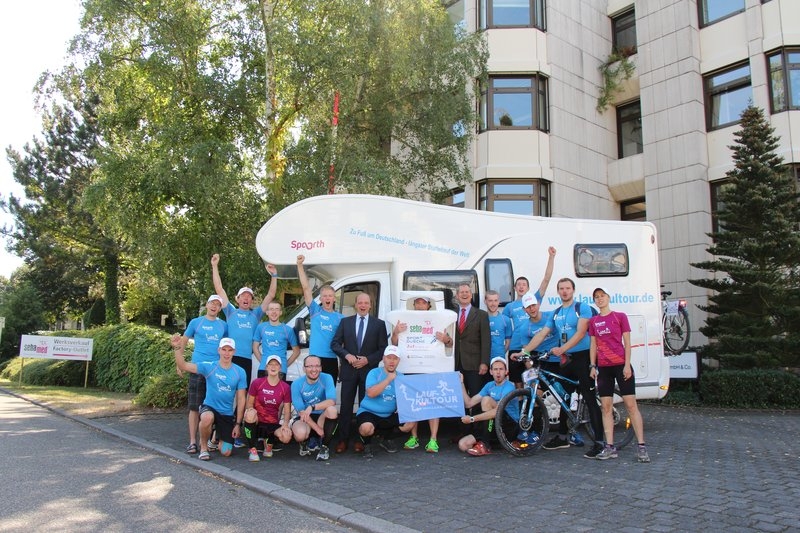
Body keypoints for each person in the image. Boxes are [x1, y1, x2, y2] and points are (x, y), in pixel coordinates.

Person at [541, 278, 604, 458]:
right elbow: (543, 333)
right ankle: (562, 437)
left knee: (590, 399)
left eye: (567, 288)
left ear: (573, 290)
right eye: (561, 288)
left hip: (583, 357)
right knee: (564, 398)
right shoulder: (556, 313)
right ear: (558, 291)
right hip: (567, 360)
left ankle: (599, 442)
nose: (564, 291)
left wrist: (562, 349)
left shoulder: (581, 308)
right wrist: (525, 351)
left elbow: (581, 332)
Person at [513, 291, 584, 447]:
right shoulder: (524, 328)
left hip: (559, 361)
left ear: (538, 304)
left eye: (533, 305)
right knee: (536, 395)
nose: (532, 309)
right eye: (528, 307)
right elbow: (526, 352)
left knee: (563, 396)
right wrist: (531, 370)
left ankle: (571, 432)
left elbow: (565, 334)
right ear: (524, 310)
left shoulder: (550, 317)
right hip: (541, 363)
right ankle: (536, 432)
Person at [588, 287, 649, 462]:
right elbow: (593, 344)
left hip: (621, 365)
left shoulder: (619, 317)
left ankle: (642, 446)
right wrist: (593, 365)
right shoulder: (594, 321)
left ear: (608, 298)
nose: (599, 299)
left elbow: (627, 342)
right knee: (606, 407)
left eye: (602, 296)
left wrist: (627, 365)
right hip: (604, 368)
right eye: (596, 297)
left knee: (631, 405)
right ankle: (609, 447)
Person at [391, 295, 451, 453]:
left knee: (433, 403)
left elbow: (450, 343)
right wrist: (396, 332)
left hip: (432, 367)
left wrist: (445, 339)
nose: (420, 305)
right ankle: (414, 438)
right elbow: (394, 343)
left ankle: (433, 439)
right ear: (414, 305)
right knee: (413, 403)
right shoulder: (405, 320)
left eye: (423, 303)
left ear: (428, 305)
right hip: (410, 367)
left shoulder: (438, 319)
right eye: (417, 302)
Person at [171, 336, 246, 461]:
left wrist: (238, 424)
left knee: (226, 452)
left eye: (230, 350)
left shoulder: (240, 372)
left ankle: (214, 438)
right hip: (210, 407)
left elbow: (241, 399)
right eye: (224, 349)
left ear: (234, 352)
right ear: (219, 350)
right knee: (207, 417)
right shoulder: (209, 366)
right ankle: (204, 448)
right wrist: (177, 348)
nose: (226, 353)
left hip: (226, 413)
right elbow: (183, 366)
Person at [330, 292, 389, 454]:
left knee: (365, 407)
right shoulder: (345, 322)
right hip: (349, 370)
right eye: (360, 303)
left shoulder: (379, 324)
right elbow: (335, 344)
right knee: (346, 406)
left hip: (368, 372)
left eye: (366, 303)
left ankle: (361, 440)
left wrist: (367, 360)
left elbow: (383, 349)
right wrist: (347, 356)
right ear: (355, 305)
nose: (363, 305)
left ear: (370, 305)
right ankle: (343, 440)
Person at [211, 253, 278, 386]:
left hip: (247, 358)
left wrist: (274, 275)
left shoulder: (256, 314)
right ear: (238, 299)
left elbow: (271, 295)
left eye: (249, 296)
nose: (246, 298)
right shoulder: (230, 311)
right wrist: (214, 266)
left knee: (243, 390)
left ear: (252, 300)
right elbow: (219, 289)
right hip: (229, 357)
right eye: (243, 296)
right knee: (227, 388)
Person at [174, 295, 228, 455]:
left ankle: (206, 441)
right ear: (207, 304)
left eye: (218, 304)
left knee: (212, 407)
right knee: (194, 407)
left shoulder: (223, 325)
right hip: (197, 368)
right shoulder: (196, 322)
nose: (214, 306)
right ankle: (192, 442)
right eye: (212, 303)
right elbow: (183, 342)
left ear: (220, 309)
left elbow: (226, 348)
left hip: (215, 371)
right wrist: (179, 363)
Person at [504, 247, 556, 387]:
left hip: (532, 347)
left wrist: (551, 257)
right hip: (516, 347)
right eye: (518, 285)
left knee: (534, 380)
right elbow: (504, 327)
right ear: (514, 288)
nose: (521, 287)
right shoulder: (509, 307)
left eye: (524, 285)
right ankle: (522, 401)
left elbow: (546, 280)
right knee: (518, 383)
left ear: (528, 288)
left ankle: (536, 399)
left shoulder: (535, 299)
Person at [354, 345, 414, 459]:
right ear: (383, 358)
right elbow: (371, 393)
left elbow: (405, 398)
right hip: (369, 412)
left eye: (395, 358)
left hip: (388, 414)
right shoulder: (374, 373)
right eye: (389, 357)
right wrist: (388, 379)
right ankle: (367, 444)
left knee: (410, 423)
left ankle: (386, 439)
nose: (392, 361)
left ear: (399, 360)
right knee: (366, 428)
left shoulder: (401, 377)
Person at [457, 357, 518, 456]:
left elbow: (497, 411)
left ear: (506, 371)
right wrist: (461, 383)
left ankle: (485, 444)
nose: (498, 372)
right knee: (463, 444)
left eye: (501, 369)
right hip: (491, 426)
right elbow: (469, 403)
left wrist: (472, 419)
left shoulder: (509, 387)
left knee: (486, 400)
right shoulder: (489, 385)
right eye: (495, 369)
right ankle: (494, 443)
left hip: (509, 426)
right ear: (491, 372)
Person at [297, 254, 344, 382]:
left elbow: (342, 343)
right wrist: (300, 265)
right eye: (324, 296)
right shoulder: (315, 311)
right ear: (321, 299)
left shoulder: (341, 318)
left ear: (334, 298)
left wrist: (341, 363)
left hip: (332, 359)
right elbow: (306, 288)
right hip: (315, 359)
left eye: (330, 296)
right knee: (315, 390)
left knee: (330, 391)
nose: (327, 298)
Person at [242, 355, 293, 461]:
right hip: (257, 422)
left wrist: (285, 424)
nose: (273, 367)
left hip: (272, 423)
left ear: (280, 367)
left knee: (286, 437)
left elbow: (287, 410)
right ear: (266, 367)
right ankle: (252, 448)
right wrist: (252, 413)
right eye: (271, 364)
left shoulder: (285, 387)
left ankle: (269, 442)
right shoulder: (257, 383)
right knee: (250, 414)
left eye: (276, 364)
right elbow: (249, 404)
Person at [290, 355, 339, 461]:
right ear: (304, 369)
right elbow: (301, 412)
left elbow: (332, 401)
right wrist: (317, 429)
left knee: (332, 410)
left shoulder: (327, 378)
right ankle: (304, 442)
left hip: (321, 416)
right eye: (310, 366)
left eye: (317, 366)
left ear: (321, 368)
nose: (314, 369)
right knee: (300, 434)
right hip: (305, 418)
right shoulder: (296, 384)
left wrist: (312, 407)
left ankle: (324, 447)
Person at [252, 301, 300, 380]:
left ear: (280, 312)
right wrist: (263, 361)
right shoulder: (261, 327)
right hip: (264, 369)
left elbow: (297, 351)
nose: (274, 312)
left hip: (280, 370)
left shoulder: (287, 330)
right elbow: (255, 347)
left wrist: (284, 364)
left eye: (277, 309)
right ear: (267, 312)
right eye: (271, 309)